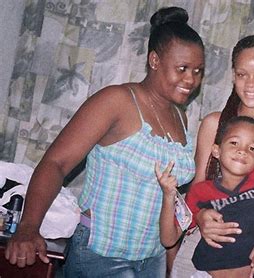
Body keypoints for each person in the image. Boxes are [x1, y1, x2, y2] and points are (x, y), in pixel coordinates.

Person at [5, 6, 204, 277]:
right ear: (155, 61)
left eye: (198, 71)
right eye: (182, 68)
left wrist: (170, 261)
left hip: (152, 259)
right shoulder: (116, 101)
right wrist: (29, 227)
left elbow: (171, 200)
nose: (191, 79)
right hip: (101, 255)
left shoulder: (181, 119)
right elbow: (56, 163)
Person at [170, 35, 254, 277]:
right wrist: (202, 216)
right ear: (233, 75)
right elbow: (196, 190)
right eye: (242, 74)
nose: (250, 83)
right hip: (206, 247)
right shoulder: (215, 123)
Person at [157, 116, 254, 278]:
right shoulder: (200, 191)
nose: (242, 150)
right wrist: (168, 196)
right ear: (216, 150)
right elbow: (169, 239)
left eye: (252, 148)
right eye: (234, 142)